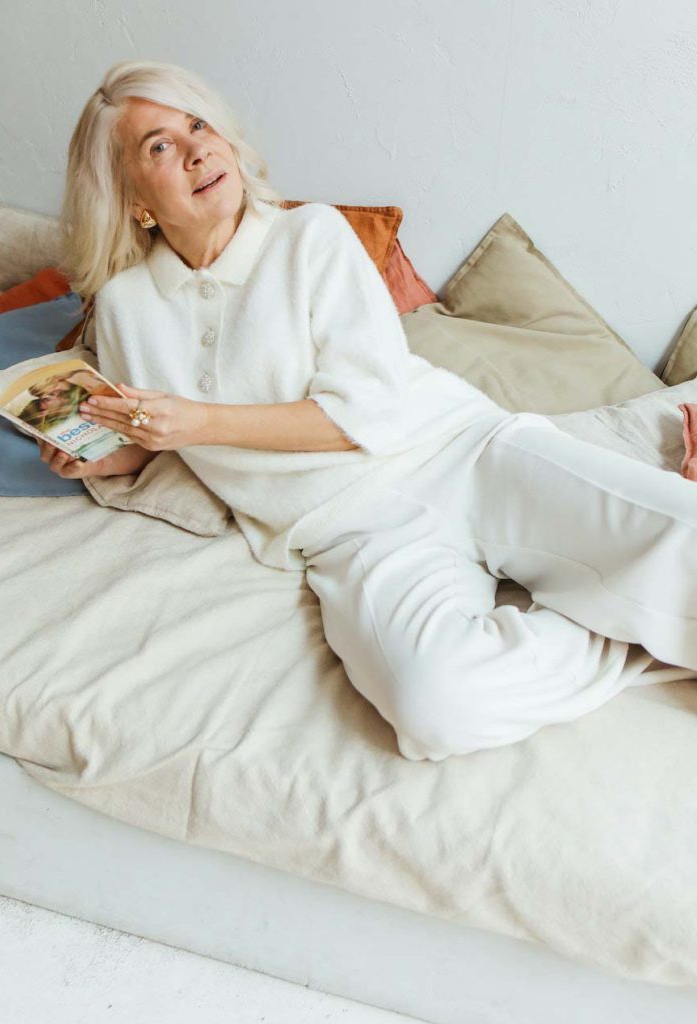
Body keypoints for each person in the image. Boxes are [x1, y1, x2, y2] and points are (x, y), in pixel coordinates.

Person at [41, 57, 697, 762]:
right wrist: (96, 455)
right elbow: (156, 433)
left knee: (681, 538)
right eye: (159, 146)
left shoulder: (309, 236)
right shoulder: (123, 309)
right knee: (436, 706)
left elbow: (369, 413)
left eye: (198, 125)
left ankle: (643, 587)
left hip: (462, 453)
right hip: (349, 535)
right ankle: (624, 623)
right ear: (135, 199)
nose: (198, 148)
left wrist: (197, 420)